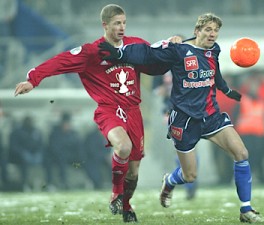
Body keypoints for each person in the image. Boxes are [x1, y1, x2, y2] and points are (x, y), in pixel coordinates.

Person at [99, 13, 264, 223]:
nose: (212, 34)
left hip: (211, 115)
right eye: (208, 30)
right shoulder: (179, 50)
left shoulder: (215, 50)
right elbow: (148, 54)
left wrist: (226, 90)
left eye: (215, 30)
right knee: (190, 176)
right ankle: (169, 181)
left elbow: (216, 74)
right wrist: (120, 54)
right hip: (184, 120)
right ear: (197, 31)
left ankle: (246, 210)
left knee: (241, 153)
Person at [14, 4, 170, 223]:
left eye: (124, 23)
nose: (122, 27)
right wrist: (33, 79)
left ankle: (126, 206)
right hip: (108, 110)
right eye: (117, 23)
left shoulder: (135, 44)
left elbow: (154, 60)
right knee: (123, 146)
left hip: (134, 111)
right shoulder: (91, 52)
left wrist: (171, 47)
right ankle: (116, 192)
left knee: (133, 173)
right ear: (105, 25)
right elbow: (60, 62)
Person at [45, 111, 84, 190]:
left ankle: (88, 182)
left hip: (70, 157)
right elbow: (54, 148)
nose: (67, 125)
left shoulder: (73, 134)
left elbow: (78, 147)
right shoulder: (55, 133)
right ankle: (63, 182)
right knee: (60, 160)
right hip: (57, 157)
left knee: (85, 161)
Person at [8, 115, 44, 191]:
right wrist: (23, 153)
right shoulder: (16, 132)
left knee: (47, 161)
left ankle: (44, 184)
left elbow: (41, 145)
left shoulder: (36, 132)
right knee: (24, 162)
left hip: (34, 155)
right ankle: (25, 183)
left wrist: (38, 153)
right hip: (18, 157)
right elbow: (13, 146)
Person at [84, 125, 112, 190]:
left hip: (102, 158)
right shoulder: (91, 137)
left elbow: (108, 148)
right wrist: (104, 156)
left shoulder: (106, 136)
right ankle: (98, 184)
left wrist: (107, 156)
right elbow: (92, 151)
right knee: (94, 168)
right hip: (91, 158)